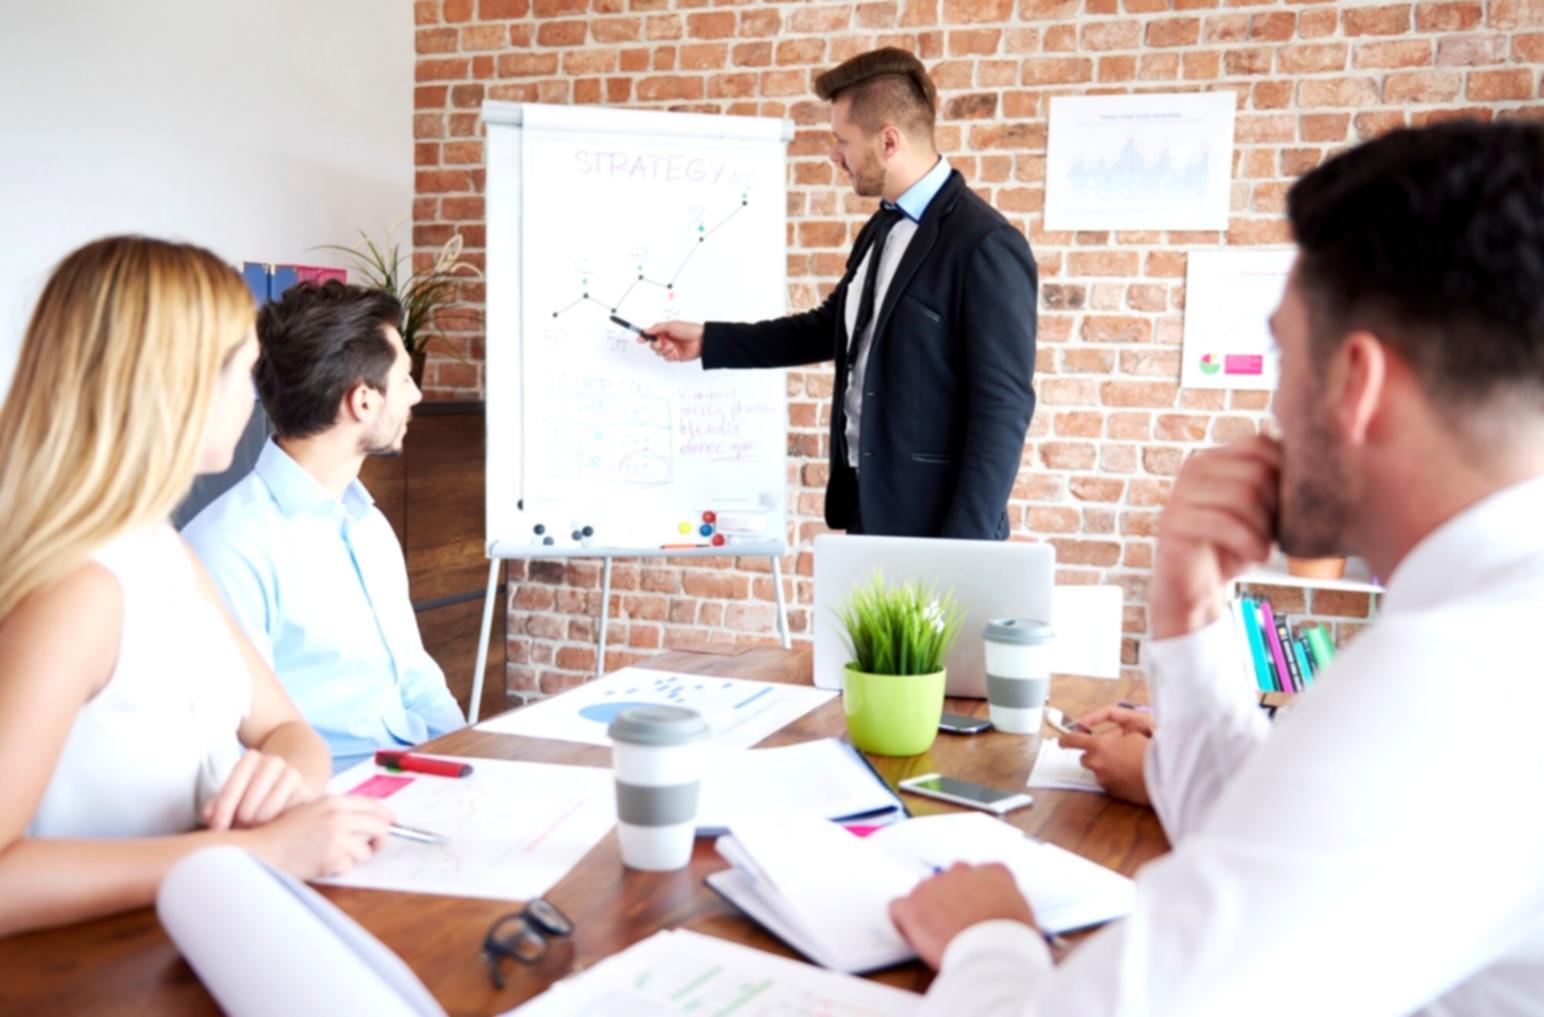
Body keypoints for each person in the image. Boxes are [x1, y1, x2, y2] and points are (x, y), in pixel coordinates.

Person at [890, 120, 1544, 1014]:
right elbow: (1263, 843)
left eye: (1282, 355)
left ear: (1355, 383)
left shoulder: (1457, 679)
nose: (1274, 405)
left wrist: (989, 942)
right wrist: (1187, 606)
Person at [0, 236, 391, 936]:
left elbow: (286, 728)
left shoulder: (162, 550)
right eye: (243, 370)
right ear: (173, 386)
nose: (253, 398)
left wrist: (287, 775)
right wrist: (255, 850)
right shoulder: (79, 591)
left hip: (192, 933)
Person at [643, 47, 1037, 539]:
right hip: (868, 513)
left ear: (888, 141)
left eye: (842, 141)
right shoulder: (880, 228)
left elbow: (1003, 408)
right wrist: (709, 340)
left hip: (940, 532)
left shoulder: (985, 245)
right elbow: (831, 327)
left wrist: (964, 548)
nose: (835, 156)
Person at [183, 280, 464, 773]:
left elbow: (416, 678)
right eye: (405, 379)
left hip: (421, 778)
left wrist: (471, 758)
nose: (416, 395)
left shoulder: (368, 525)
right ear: (363, 401)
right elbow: (229, 741)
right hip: (331, 802)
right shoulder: (227, 548)